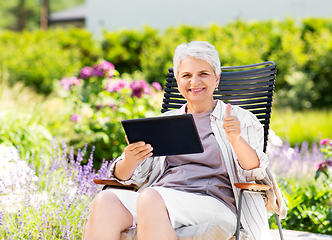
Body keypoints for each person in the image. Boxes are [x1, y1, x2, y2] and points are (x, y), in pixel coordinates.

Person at [83, 41, 279, 240]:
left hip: (215, 204)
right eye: (186, 75)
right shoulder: (164, 123)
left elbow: (255, 171)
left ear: (217, 79)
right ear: (178, 81)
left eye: (203, 74)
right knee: (106, 200)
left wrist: (236, 140)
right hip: (161, 199)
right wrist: (131, 159)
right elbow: (125, 177)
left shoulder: (241, 119)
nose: (194, 82)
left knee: (151, 197)